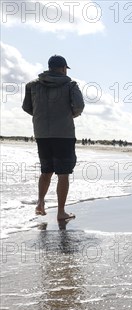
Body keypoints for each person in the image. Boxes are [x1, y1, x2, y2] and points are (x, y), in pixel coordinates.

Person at [22, 55, 84, 221]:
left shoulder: (32, 85)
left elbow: (26, 107)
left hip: (42, 134)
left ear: (49, 67)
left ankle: (40, 203)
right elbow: (79, 106)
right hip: (63, 134)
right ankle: (61, 212)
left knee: (46, 170)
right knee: (63, 173)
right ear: (64, 68)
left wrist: (42, 117)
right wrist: (69, 115)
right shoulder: (70, 85)